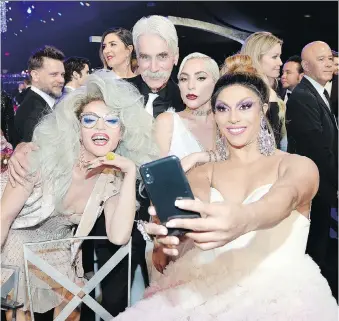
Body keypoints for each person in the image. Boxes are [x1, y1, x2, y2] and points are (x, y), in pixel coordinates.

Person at [114, 64, 338, 320]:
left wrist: (244, 219)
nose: (233, 118)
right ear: (214, 115)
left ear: (263, 110)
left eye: (245, 106)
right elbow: (178, 242)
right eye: (222, 108)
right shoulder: (202, 173)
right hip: (201, 292)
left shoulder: (296, 165)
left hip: (280, 296)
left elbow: (284, 199)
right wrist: (168, 243)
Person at [1, 70, 158, 321]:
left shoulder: (112, 179)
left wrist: (129, 171)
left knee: (65, 313)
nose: (100, 127)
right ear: (77, 127)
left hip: (54, 252)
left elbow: (118, 236)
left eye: (111, 120)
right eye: (89, 120)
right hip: (11, 243)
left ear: (123, 132)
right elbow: (4, 218)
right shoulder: (39, 159)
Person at [151, 52, 220, 274]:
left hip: (221, 232)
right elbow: (156, 185)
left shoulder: (229, 123)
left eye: (200, 78)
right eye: (183, 78)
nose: (190, 86)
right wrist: (161, 238)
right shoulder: (167, 122)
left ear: (216, 83)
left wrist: (200, 157)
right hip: (175, 233)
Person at [286, 41, 338, 300]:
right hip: (316, 193)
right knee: (319, 257)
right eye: (322, 59)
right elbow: (317, 151)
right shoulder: (303, 97)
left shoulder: (319, 93)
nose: (329, 63)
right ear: (305, 66)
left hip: (325, 189)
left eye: (330, 58)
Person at [240, 31, 287, 150]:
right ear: (257, 58)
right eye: (274, 57)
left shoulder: (268, 90)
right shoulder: (259, 93)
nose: (280, 62)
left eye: (279, 56)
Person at [12, 45, 65, 148]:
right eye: (54, 74)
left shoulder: (36, 104)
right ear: (35, 75)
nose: (61, 80)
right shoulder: (35, 113)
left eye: (62, 74)